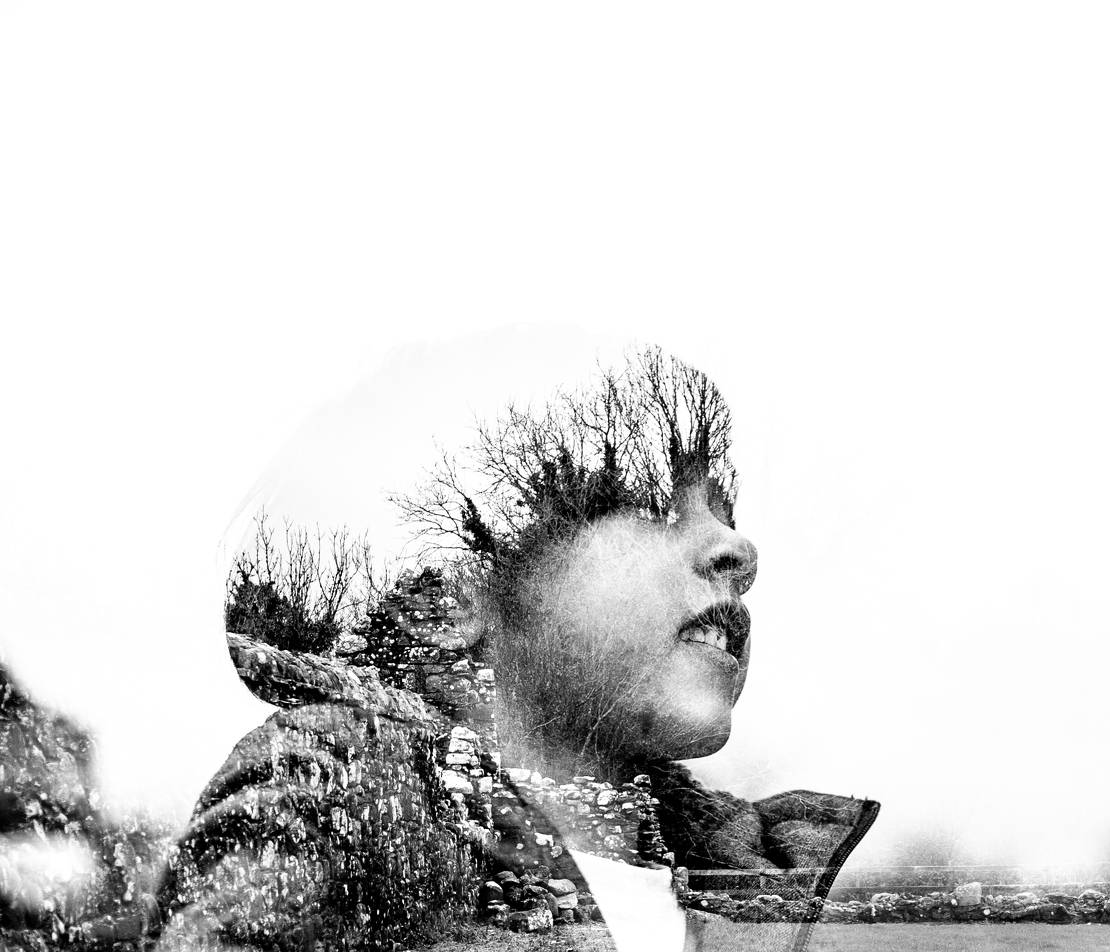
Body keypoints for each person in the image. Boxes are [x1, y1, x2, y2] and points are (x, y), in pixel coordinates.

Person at [155, 345, 879, 952]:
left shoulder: (754, 868)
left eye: (725, 512)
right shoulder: (347, 795)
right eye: (654, 505)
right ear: (458, 603)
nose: (739, 550)